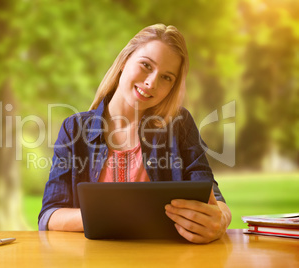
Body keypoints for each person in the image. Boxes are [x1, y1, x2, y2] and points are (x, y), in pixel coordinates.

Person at [38, 23, 232, 244]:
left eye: (166, 77)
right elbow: (49, 216)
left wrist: (222, 218)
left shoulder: (179, 124)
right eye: (146, 65)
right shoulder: (74, 129)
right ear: (124, 61)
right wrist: (116, 214)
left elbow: (212, 196)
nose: (151, 83)